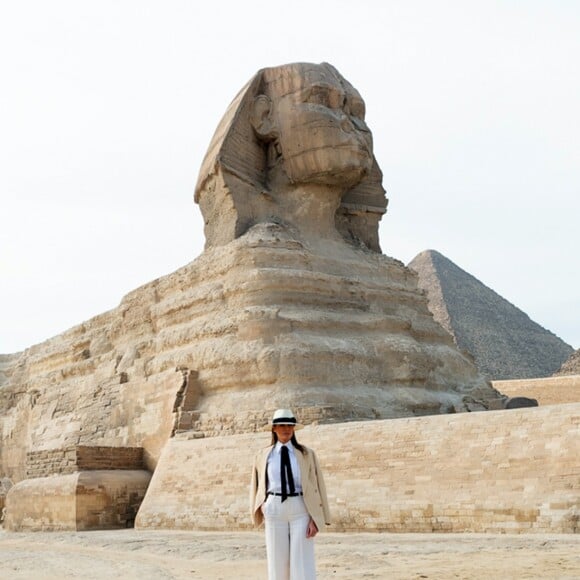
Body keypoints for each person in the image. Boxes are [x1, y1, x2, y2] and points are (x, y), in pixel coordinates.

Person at [250, 409, 331, 580]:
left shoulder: (307, 454)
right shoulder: (263, 455)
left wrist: (316, 517)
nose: (286, 429)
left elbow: (317, 485)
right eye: (281, 425)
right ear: (274, 429)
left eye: (289, 425)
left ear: (294, 428)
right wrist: (262, 506)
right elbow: (256, 485)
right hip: (274, 508)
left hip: (300, 507)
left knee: (303, 560)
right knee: (276, 561)